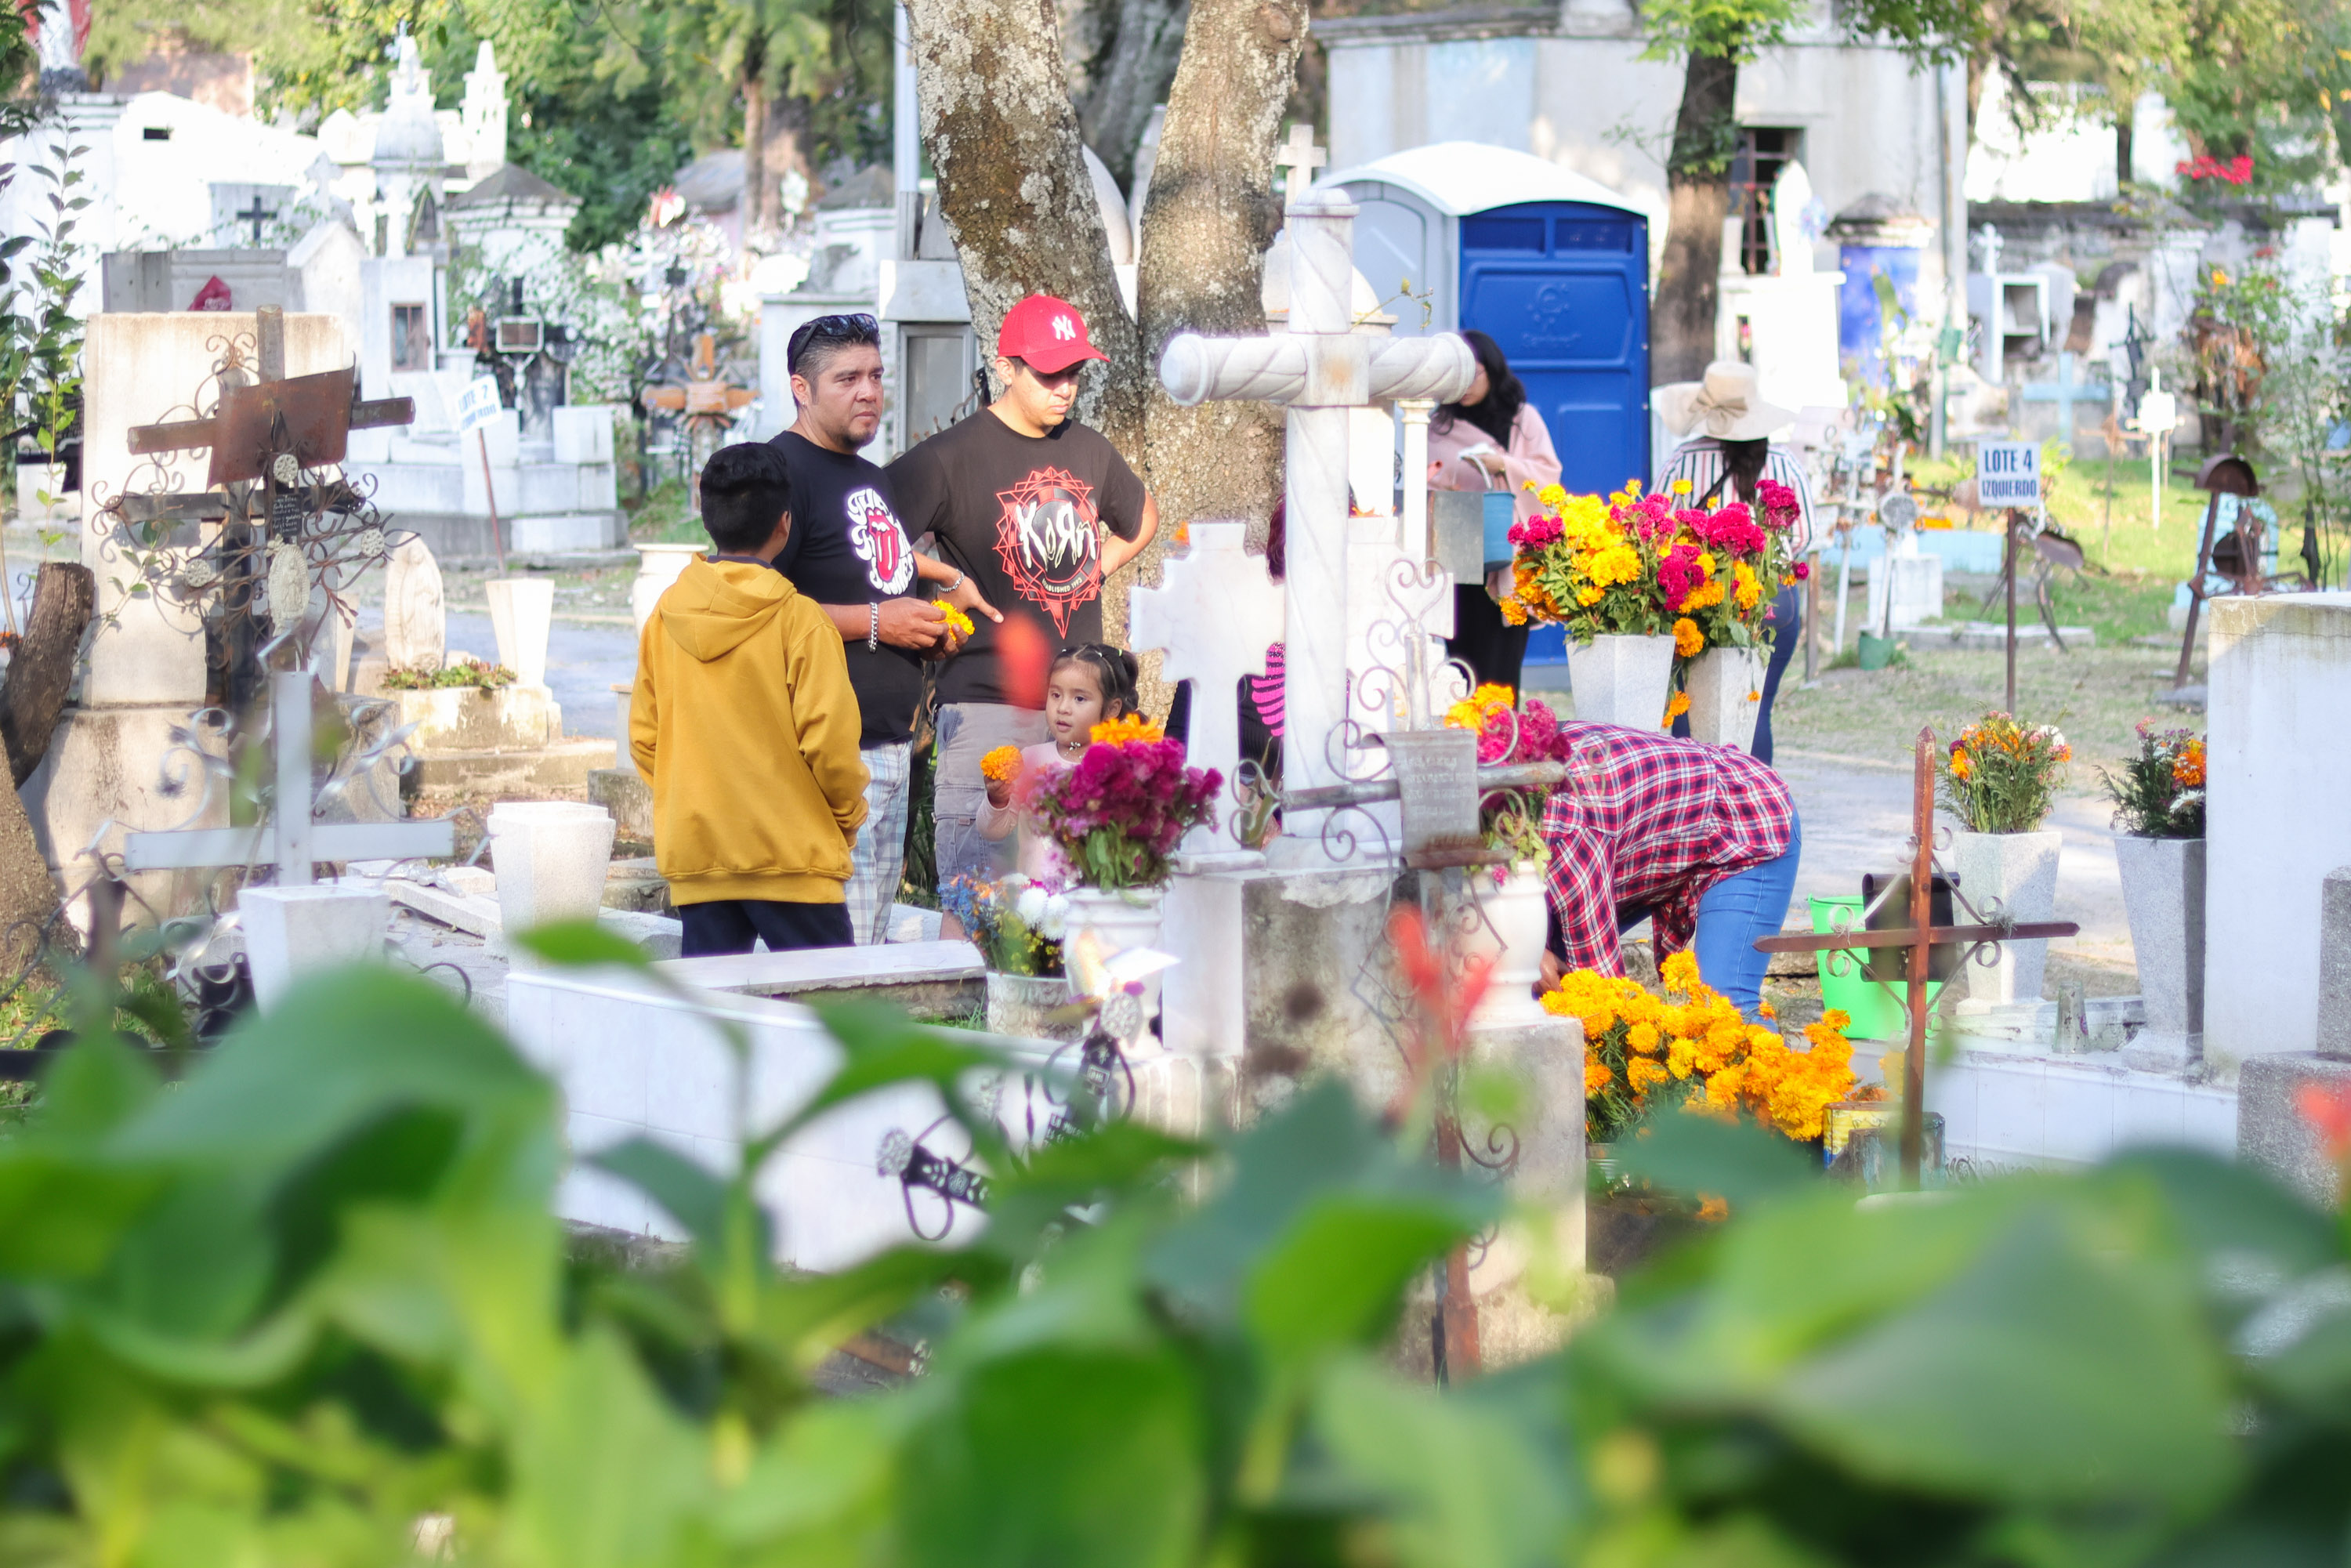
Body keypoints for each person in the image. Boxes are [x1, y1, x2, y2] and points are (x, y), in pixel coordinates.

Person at [889, 293, 1159, 894]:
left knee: (1069, 899)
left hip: (1076, 716)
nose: (1065, 387)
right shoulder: (949, 455)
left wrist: (1099, 567)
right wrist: (945, 579)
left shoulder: (1088, 447)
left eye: (1075, 372)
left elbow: (1143, 516)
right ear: (1007, 368)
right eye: (1049, 372)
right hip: (987, 706)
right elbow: (869, 529)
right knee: (975, 893)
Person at [768, 312, 1000, 943]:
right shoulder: (778, 472)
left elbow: (870, 566)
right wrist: (879, 621)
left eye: (875, 374)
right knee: (825, 958)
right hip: (823, 754)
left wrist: (933, 610)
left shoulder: (869, 476)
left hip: (891, 744)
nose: (869, 390)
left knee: (865, 946)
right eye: (846, 378)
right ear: (801, 388)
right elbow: (758, 607)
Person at [630, 443, 869, 958]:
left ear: (707, 516)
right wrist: (845, 818)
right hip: (794, 860)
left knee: (717, 1031)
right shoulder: (801, 622)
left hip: (700, 861)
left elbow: (646, 739)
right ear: (784, 525)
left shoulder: (665, 619)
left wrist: (697, 800)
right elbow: (830, 745)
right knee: (827, 1023)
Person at [1536, 722, 1799, 1020]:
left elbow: (1604, 995)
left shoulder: (1568, 835)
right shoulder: (1488, 806)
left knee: (1723, 1007)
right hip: (1649, 835)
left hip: (1745, 817)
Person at [1652, 360, 1818, 764]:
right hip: (1771, 599)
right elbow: (1805, 536)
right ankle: (1754, 812)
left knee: (1690, 713)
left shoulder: (1683, 460)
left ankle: (1696, 814)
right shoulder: (1784, 464)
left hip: (1697, 601)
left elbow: (1654, 526)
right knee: (1755, 711)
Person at [1426, 329, 1562, 691]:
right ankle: (1469, 739)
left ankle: (1505, 740)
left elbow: (1548, 477)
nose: (1467, 385)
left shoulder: (1523, 418)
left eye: (1476, 373)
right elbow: (1427, 478)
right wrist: (1443, 486)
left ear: (1494, 371)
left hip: (1510, 557)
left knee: (1503, 668)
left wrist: (1503, 465)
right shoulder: (1439, 426)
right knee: (1463, 664)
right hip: (1461, 558)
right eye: (1459, 376)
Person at [977, 644, 1140, 880]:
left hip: (1093, 904)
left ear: (1112, 709)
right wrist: (997, 799)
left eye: (1080, 698)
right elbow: (992, 831)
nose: (1063, 708)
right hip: (1035, 905)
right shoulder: (1031, 760)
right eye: (1055, 695)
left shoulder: (1121, 769)